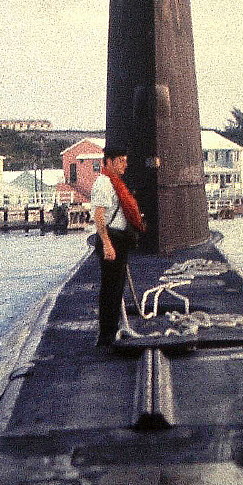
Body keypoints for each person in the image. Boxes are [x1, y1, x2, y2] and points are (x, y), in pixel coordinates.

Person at [91, 146, 146, 346]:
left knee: (115, 289)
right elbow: (99, 216)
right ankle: (106, 337)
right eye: (121, 160)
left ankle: (110, 332)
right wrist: (107, 244)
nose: (125, 165)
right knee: (111, 290)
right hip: (111, 240)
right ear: (110, 162)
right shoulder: (104, 183)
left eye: (125, 160)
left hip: (119, 240)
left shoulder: (114, 183)